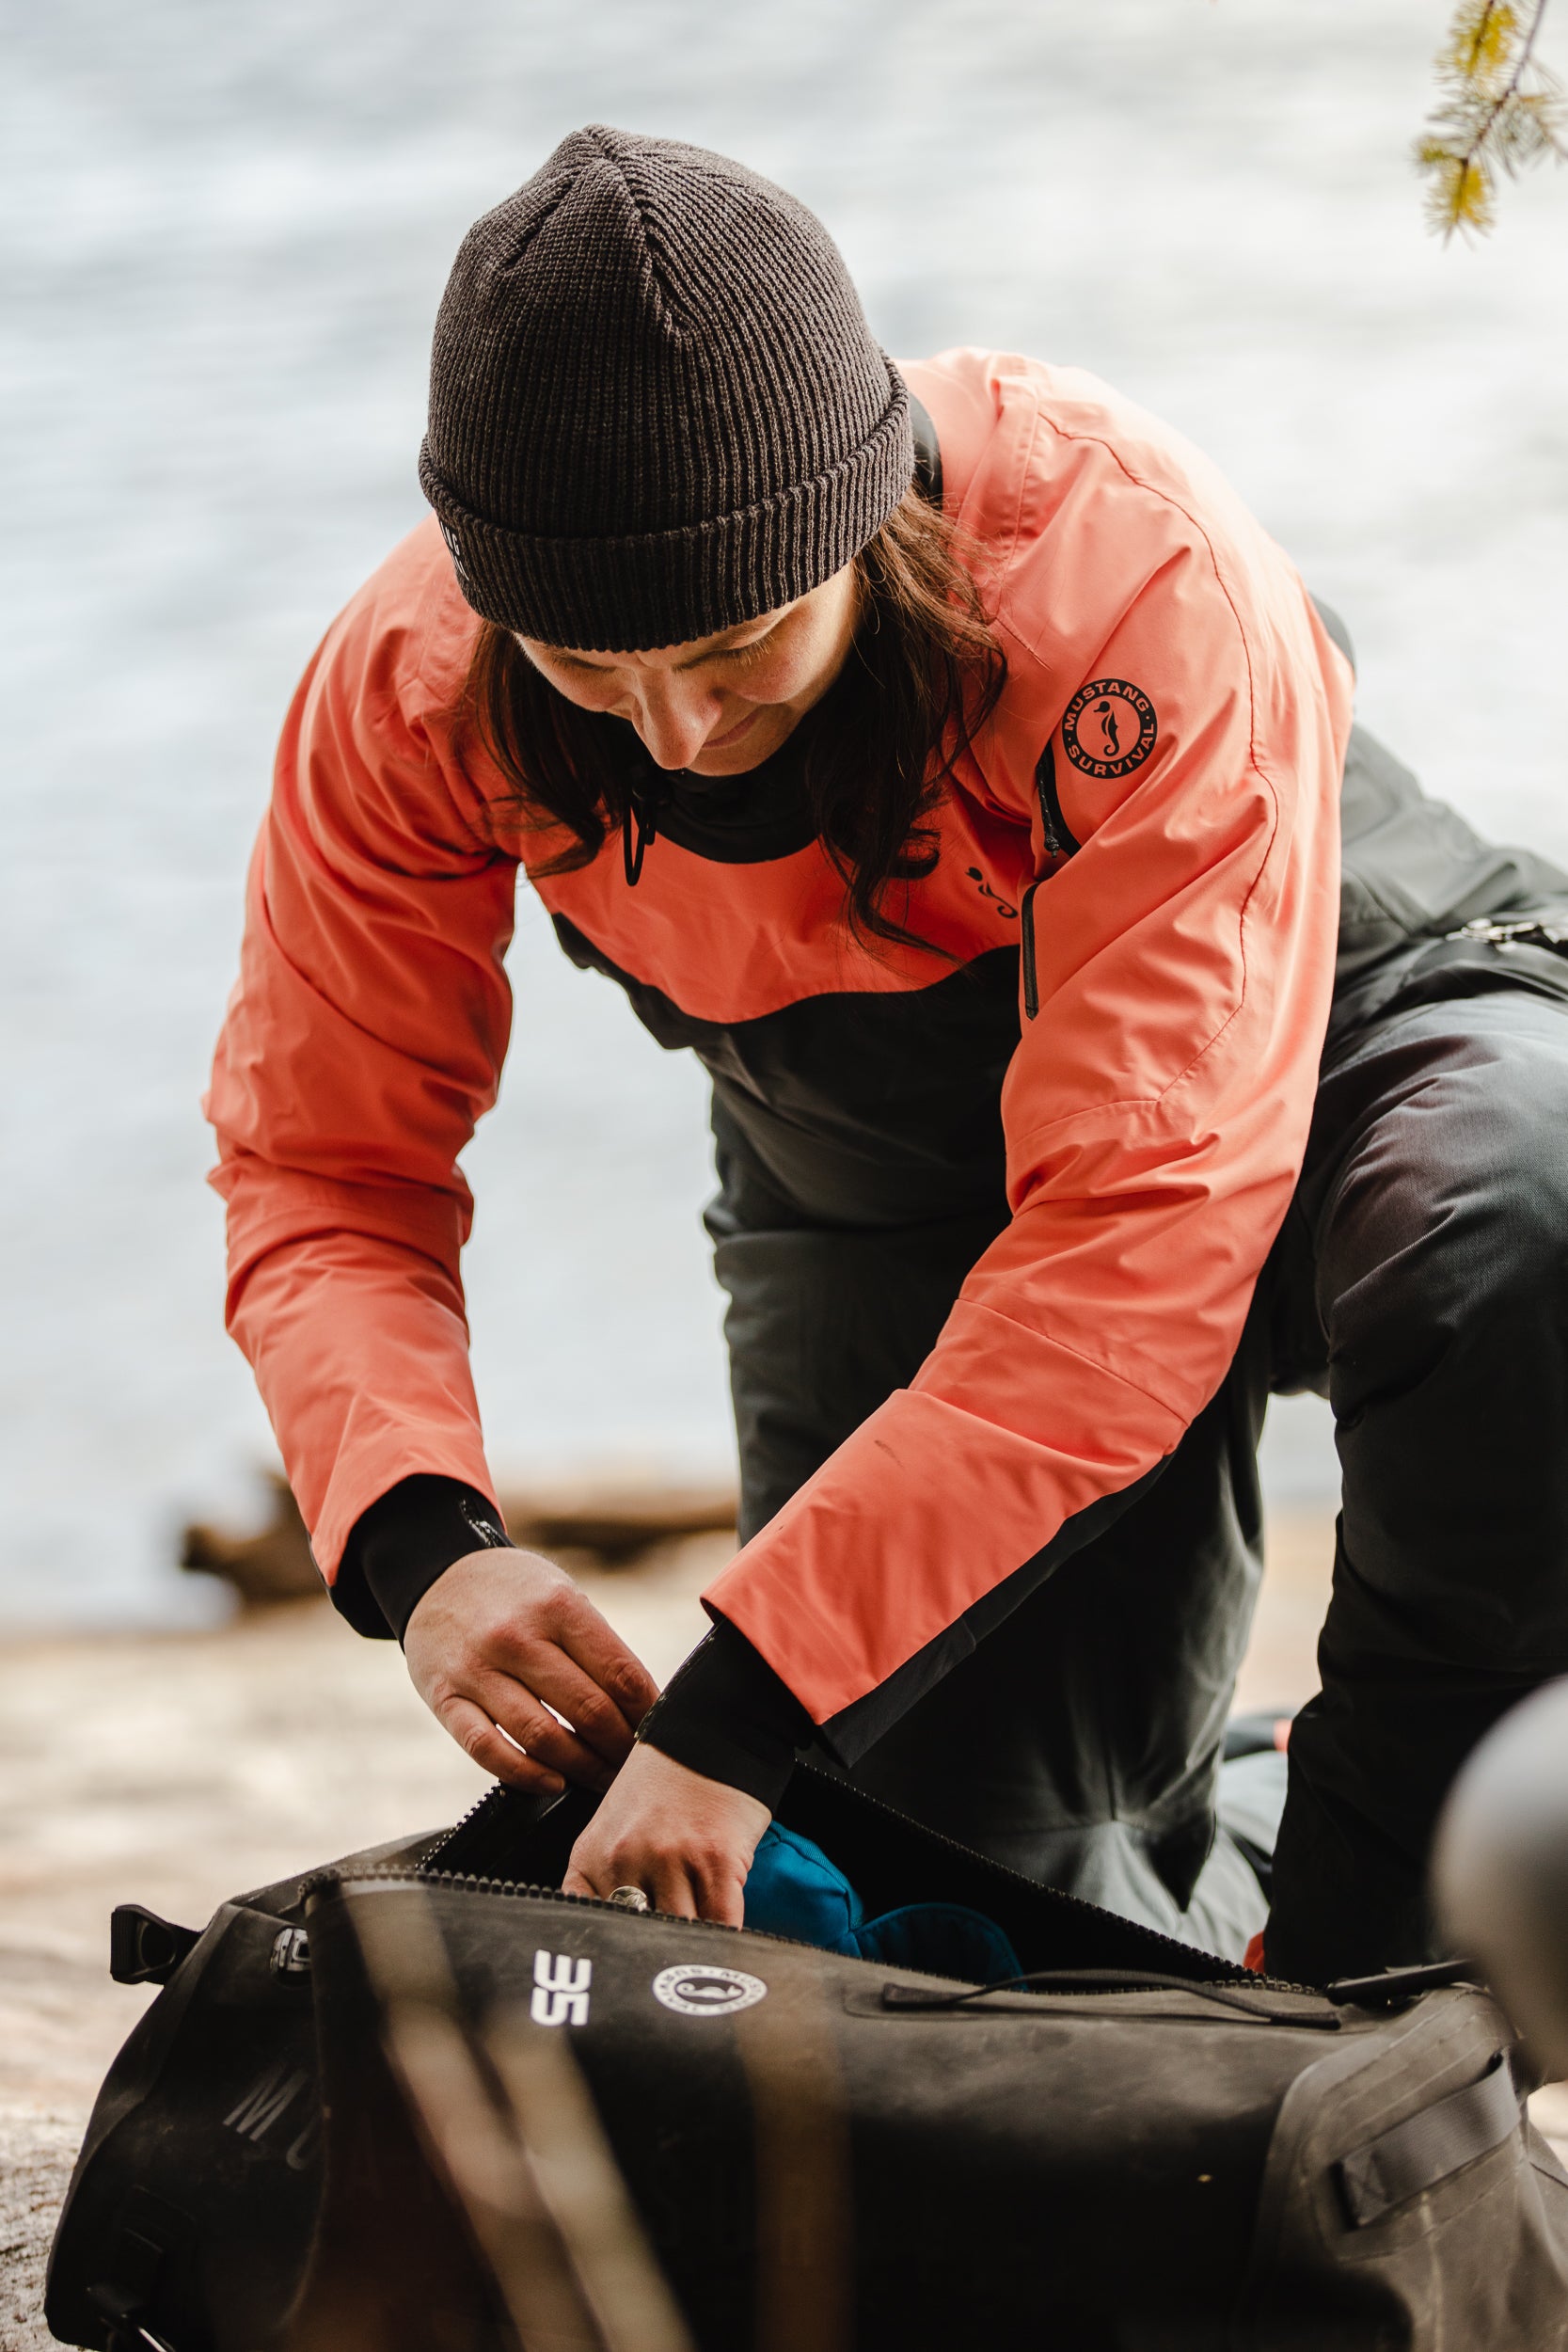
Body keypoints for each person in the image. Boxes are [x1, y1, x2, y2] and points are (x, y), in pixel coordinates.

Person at [206, 125, 1568, 1987]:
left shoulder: (1124, 568)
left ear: (855, 520)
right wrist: (418, 1539)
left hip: (1360, 1055)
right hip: (901, 1189)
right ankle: (1225, 1879)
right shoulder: (408, 687)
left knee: (1520, 1207)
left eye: (742, 641)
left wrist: (739, 1693)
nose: (679, 735)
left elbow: (1130, 1249)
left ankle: (1377, 1970)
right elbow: (323, 1164)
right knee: (955, 1914)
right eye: (592, 669)